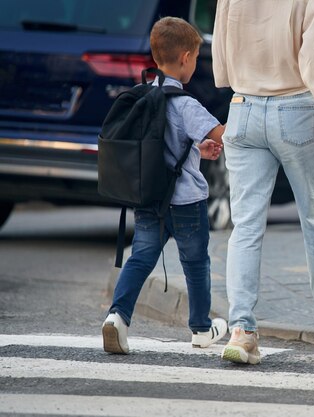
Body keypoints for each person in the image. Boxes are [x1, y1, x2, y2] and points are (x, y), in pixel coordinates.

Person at [211, 0, 314, 365]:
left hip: (242, 106)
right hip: (295, 104)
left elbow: (220, 54)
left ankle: (242, 330)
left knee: (244, 226)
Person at [102, 16, 228, 354]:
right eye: (196, 58)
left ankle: (117, 317)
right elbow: (225, 136)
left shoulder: (145, 97)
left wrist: (197, 151)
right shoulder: (187, 104)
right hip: (187, 202)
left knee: (141, 258)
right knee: (196, 262)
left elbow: (161, 145)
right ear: (186, 58)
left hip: (149, 198)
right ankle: (201, 328)